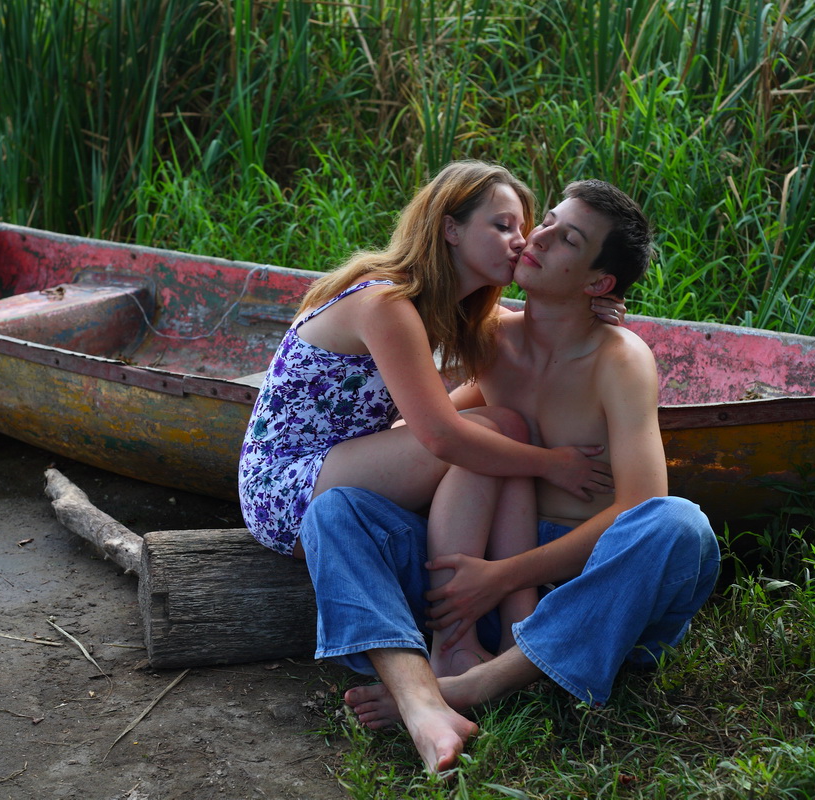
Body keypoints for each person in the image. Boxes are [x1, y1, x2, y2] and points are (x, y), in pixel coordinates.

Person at [299, 179, 721, 773]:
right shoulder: (493, 336)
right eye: (546, 220)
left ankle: (477, 685)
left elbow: (638, 505)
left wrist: (502, 577)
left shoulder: (620, 360)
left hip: (585, 590)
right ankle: (422, 682)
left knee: (678, 524)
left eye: (568, 239)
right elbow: (438, 433)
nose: (537, 237)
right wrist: (476, 573)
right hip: (468, 579)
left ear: (599, 284)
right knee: (336, 509)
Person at [238, 161, 622, 561]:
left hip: (338, 464)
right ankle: (454, 590)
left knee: (504, 427)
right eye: (503, 226)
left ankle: (508, 590)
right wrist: (553, 464)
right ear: (451, 229)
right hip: (284, 491)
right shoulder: (384, 303)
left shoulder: (441, 305)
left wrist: (586, 306)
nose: (521, 243)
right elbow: (442, 438)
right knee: (488, 435)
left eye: (523, 230)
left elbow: (533, 333)